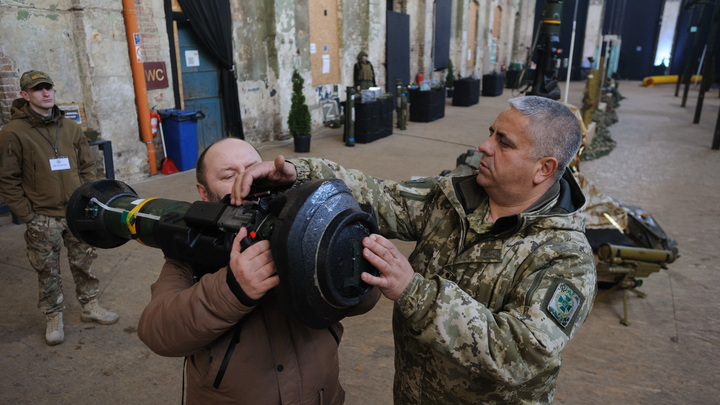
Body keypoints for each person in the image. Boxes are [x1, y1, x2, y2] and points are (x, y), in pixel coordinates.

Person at [230, 96, 597, 404]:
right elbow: (382, 197)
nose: (484, 146)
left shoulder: (565, 256)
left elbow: (519, 352)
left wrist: (414, 291)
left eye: (504, 142)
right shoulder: (456, 196)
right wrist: (303, 173)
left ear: (543, 169)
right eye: (490, 133)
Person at [137, 137, 380, 404]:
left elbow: (365, 299)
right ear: (204, 192)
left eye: (252, 168)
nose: (246, 180)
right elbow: (156, 332)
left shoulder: (308, 224)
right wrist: (231, 290)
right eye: (229, 175)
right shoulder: (193, 245)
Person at [0, 70, 119, 346]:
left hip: (76, 212)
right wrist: (28, 215)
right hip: (43, 216)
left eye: (48, 87)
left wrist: (90, 198)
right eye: (38, 89)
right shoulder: (12, 133)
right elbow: (7, 179)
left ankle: (90, 306)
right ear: (25, 95)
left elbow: (87, 167)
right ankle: (53, 315)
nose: (46, 93)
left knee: (85, 261)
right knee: (47, 269)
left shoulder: (70, 128)